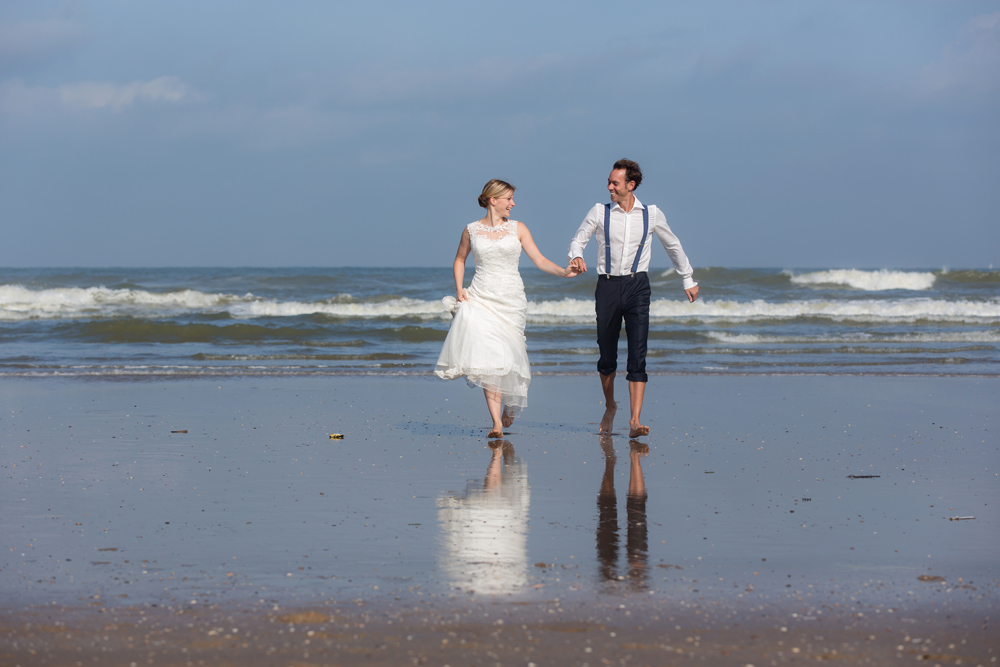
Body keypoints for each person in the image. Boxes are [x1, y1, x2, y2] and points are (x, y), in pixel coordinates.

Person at [435, 179, 579, 438]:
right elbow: (459, 259)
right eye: (509, 198)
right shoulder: (471, 230)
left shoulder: (518, 228)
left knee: (510, 358)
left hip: (511, 302)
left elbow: (539, 259)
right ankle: (496, 424)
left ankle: (510, 407)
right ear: (493, 200)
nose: (513, 203)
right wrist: (459, 289)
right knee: (489, 361)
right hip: (480, 298)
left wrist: (563, 271)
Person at [567, 159, 699, 437]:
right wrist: (576, 255)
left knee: (638, 354)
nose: (609, 187)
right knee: (607, 355)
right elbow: (578, 239)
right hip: (607, 287)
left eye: (615, 183)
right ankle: (610, 406)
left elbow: (672, 244)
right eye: (609, 181)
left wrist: (687, 278)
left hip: (638, 286)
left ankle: (635, 420)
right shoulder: (599, 211)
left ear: (631, 185)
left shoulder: (651, 214)